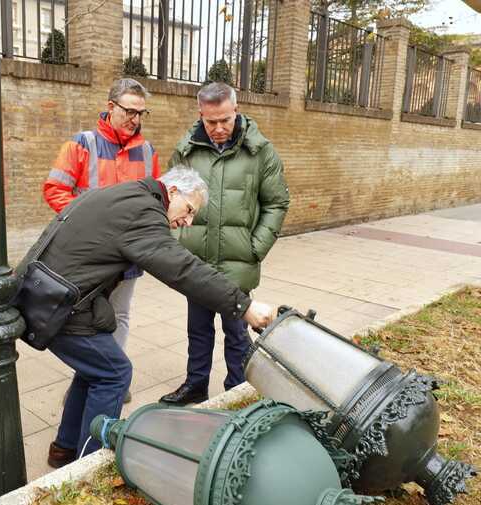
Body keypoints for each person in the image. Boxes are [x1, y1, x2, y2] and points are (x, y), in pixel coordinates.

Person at [18, 168, 277, 468]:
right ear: (174, 192)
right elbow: (182, 268)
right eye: (190, 210)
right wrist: (243, 305)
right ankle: (88, 464)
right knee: (114, 373)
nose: (188, 222)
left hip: (48, 293)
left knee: (95, 369)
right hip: (58, 302)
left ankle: (64, 448)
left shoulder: (128, 193)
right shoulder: (144, 211)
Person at [160, 82, 290, 406]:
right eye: (210, 121)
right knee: (198, 330)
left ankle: (239, 391)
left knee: (237, 333)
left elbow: (277, 202)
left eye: (225, 120)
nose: (218, 128)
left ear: (236, 111)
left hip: (237, 262)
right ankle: (196, 384)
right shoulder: (187, 150)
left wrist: (254, 248)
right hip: (198, 261)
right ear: (200, 115)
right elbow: (170, 197)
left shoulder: (260, 151)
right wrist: (180, 241)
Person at [43, 78, 161, 402]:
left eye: (141, 113)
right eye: (129, 111)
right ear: (111, 107)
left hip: (128, 257)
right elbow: (55, 189)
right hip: (91, 258)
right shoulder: (82, 144)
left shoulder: (147, 151)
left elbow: (155, 202)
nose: (135, 119)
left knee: (120, 316)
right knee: (88, 323)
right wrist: (89, 225)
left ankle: (112, 377)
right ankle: (90, 381)